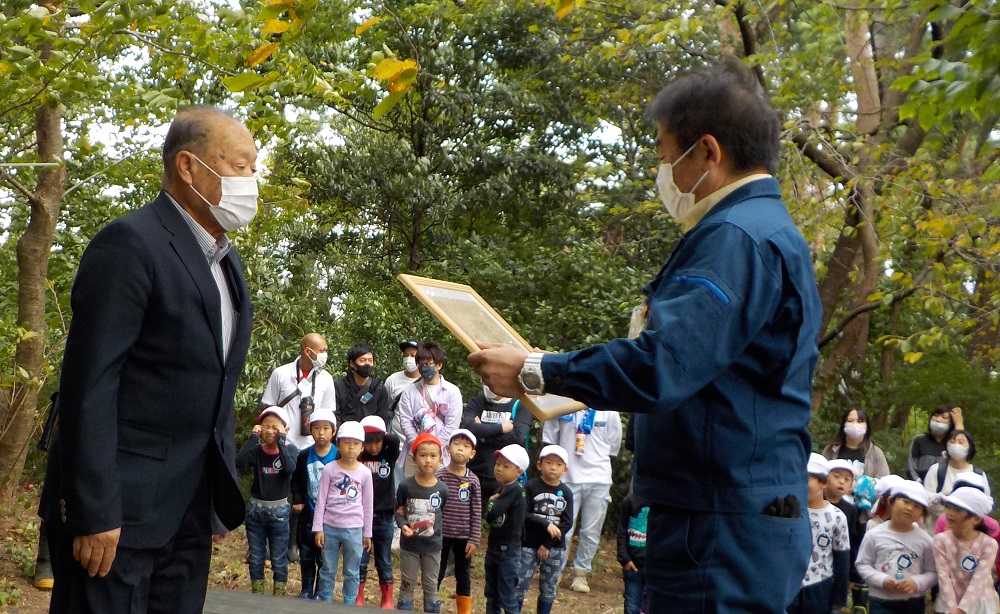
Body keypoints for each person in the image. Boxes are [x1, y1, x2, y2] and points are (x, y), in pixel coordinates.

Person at [468, 57, 821, 612]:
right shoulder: (763, 233)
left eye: (666, 155)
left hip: (717, 524)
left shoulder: (735, 239)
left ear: (708, 151)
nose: (666, 175)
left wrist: (537, 369)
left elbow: (665, 364)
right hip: (730, 512)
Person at [39, 106, 256, 614]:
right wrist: (94, 510)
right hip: (120, 515)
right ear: (188, 166)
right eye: (241, 165)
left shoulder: (226, 262)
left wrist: (212, 499)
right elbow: (89, 385)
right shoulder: (131, 244)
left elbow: (214, 379)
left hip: (188, 511)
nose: (252, 180)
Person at [261, 332, 336, 564]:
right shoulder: (281, 374)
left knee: (300, 496)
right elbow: (268, 408)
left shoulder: (326, 379)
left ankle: (293, 543)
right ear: (307, 351)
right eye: (321, 350)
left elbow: (327, 414)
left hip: (310, 446)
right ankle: (268, 544)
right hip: (283, 444)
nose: (324, 355)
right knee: (275, 492)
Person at [540, 407, 621, 592]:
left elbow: (614, 445)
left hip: (598, 477)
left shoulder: (608, 408)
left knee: (591, 531)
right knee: (562, 528)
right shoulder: (563, 404)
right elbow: (550, 440)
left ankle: (580, 574)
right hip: (567, 477)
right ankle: (555, 570)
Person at [235, 407, 298, 595]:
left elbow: (289, 468)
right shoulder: (257, 451)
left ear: (284, 429)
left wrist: (282, 442)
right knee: (255, 556)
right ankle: (258, 594)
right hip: (256, 510)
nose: (270, 431)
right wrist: (253, 437)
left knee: (279, 557)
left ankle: (278, 595)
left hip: (278, 511)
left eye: (275, 427)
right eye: (266, 427)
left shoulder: (290, 450)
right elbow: (240, 462)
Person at [312, 421, 374, 604]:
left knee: (352, 570)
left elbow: (368, 504)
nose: (351, 448)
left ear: (362, 447)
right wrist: (318, 528)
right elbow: (321, 499)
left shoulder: (365, 473)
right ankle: (325, 600)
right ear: (338, 444)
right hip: (330, 527)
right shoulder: (330, 469)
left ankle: (350, 602)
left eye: (355, 443)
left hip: (354, 529)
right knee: (327, 568)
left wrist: (367, 533)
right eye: (346, 443)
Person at [855, 481, 938, 614]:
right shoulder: (874, 535)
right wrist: (881, 580)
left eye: (916, 506)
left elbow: (933, 572)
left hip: (913, 601)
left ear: (922, 512)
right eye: (905, 502)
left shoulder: (926, 540)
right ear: (890, 501)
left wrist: (916, 583)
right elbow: (863, 564)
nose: (910, 508)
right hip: (881, 599)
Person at [787, 454, 850, 614]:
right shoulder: (785, 509)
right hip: (787, 584)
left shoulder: (837, 516)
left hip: (819, 586)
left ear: (824, 483)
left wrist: (838, 600)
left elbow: (842, 559)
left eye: (807, 478)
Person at [395, 433, 450, 612]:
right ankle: (404, 607)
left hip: (433, 546)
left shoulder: (442, 489)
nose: (428, 460)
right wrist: (403, 525)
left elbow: (441, 512)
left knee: (431, 583)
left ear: (440, 459)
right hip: (410, 545)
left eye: (433, 456)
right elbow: (398, 510)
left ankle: (432, 608)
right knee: (407, 582)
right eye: (423, 455)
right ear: (414, 458)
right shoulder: (406, 485)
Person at [518, 445, 574, 614]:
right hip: (528, 544)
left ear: (565, 469)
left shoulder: (566, 493)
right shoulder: (530, 487)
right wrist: (546, 524)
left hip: (554, 548)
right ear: (539, 465)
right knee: (520, 583)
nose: (553, 467)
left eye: (558, 464)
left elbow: (567, 522)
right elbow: (523, 514)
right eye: (548, 462)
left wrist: (548, 544)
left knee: (548, 587)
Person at [289, 408, 338, 600]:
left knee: (324, 556)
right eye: (317, 428)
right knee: (307, 552)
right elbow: (297, 481)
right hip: (309, 512)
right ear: (310, 430)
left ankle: (321, 590)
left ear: (333, 432)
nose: (321, 432)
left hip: (330, 516)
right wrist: (299, 499)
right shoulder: (304, 456)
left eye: (326, 428)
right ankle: (306, 588)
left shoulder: (338, 455)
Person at [462, 383, 535, 512]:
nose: (488, 384)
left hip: (505, 478)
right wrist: (501, 428)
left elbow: (517, 437)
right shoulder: (477, 402)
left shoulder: (520, 405)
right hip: (474, 472)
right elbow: (467, 427)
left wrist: (482, 434)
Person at [357, 415, 402, 609]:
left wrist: (380, 431)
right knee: (361, 559)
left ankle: (387, 599)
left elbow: (395, 440)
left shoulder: (388, 455)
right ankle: (358, 596)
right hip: (361, 515)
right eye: (368, 442)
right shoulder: (359, 456)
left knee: (384, 559)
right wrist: (361, 434)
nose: (373, 447)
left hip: (384, 514)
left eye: (377, 442)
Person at [435, 429, 482, 614]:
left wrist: (474, 539)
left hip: (464, 536)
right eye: (456, 444)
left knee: (463, 574)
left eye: (466, 446)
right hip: (441, 534)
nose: (460, 449)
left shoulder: (473, 480)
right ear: (447, 448)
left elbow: (476, 511)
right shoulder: (440, 476)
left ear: (472, 453)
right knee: (437, 570)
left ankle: (464, 610)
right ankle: (431, 602)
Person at [398, 341, 463, 476]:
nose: (424, 368)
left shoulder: (452, 391)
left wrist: (435, 448)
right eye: (421, 365)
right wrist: (419, 446)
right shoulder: (409, 391)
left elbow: (452, 424)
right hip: (414, 455)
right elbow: (405, 421)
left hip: (441, 456)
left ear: (439, 365)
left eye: (428, 364)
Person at [933, 487, 999, 614]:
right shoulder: (941, 540)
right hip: (947, 603)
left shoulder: (988, 544)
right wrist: (952, 609)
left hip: (979, 604)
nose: (950, 513)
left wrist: (962, 610)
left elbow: (979, 579)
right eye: (949, 507)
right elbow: (943, 576)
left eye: (957, 510)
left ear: (976, 519)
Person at [484, 444, 529, 614]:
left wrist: (491, 502)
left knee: (507, 596)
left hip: (507, 552)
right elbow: (489, 517)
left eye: (506, 466)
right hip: (494, 548)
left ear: (518, 471)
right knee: (492, 594)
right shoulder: (501, 489)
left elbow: (492, 512)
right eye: (498, 464)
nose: (499, 469)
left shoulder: (515, 490)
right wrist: (493, 503)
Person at [924, 430, 991, 528]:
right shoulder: (936, 470)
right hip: (937, 529)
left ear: (969, 446)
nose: (956, 445)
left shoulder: (978, 474)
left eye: (961, 442)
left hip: (968, 531)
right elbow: (926, 498)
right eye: (952, 441)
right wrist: (943, 498)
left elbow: (986, 503)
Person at [822, 407, 891, 479]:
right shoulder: (831, 450)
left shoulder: (875, 453)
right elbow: (821, 476)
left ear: (866, 426)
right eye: (850, 421)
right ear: (844, 424)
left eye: (860, 421)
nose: (855, 425)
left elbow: (884, 481)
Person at [334, 343, 392, 426]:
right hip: (345, 435)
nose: (367, 364)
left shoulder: (378, 388)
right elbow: (335, 416)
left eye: (370, 360)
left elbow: (382, 418)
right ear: (352, 363)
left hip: (370, 435)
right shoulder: (339, 386)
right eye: (363, 360)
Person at [826, 459, 863, 585]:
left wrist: (852, 575)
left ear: (851, 486)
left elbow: (853, 541)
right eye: (836, 476)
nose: (841, 481)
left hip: (839, 563)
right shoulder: (815, 503)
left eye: (847, 479)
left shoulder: (851, 510)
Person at [908, 405, 963, 483]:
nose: (938, 420)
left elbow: (962, 459)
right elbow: (911, 467)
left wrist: (959, 424)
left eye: (944, 417)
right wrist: (919, 483)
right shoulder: (919, 440)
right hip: (920, 488)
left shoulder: (952, 444)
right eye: (936, 415)